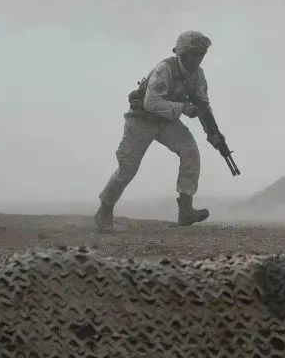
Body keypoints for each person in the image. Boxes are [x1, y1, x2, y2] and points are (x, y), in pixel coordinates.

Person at [95, 30, 222, 233]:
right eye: (193, 54)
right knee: (127, 169)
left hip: (166, 121)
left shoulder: (198, 76)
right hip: (141, 120)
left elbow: (203, 106)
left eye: (201, 54)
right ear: (182, 54)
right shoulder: (165, 69)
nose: (197, 58)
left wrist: (214, 134)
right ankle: (104, 211)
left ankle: (186, 209)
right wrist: (183, 107)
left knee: (190, 151)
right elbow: (150, 102)